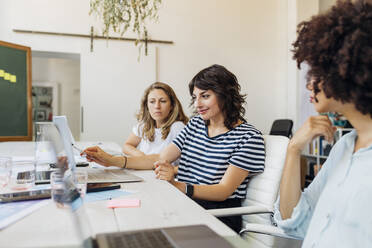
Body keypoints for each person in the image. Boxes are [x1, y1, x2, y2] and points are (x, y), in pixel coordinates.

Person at [84, 64, 266, 233]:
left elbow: (223, 190)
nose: (197, 104)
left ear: (225, 95)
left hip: (217, 214)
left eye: (205, 96)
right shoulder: (196, 124)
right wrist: (111, 160)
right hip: (185, 201)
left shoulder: (248, 137)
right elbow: (159, 158)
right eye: (195, 97)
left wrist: (178, 186)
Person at [274, 1, 372, 247]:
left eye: (316, 71)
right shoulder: (345, 147)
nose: (309, 83)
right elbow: (292, 221)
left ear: (347, 70)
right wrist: (293, 149)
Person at [122, 82, 188, 157]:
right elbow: (127, 146)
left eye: (163, 101)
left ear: (172, 106)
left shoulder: (178, 127)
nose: (157, 106)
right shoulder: (143, 125)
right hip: (145, 168)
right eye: (152, 102)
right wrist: (141, 156)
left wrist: (145, 160)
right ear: (146, 105)